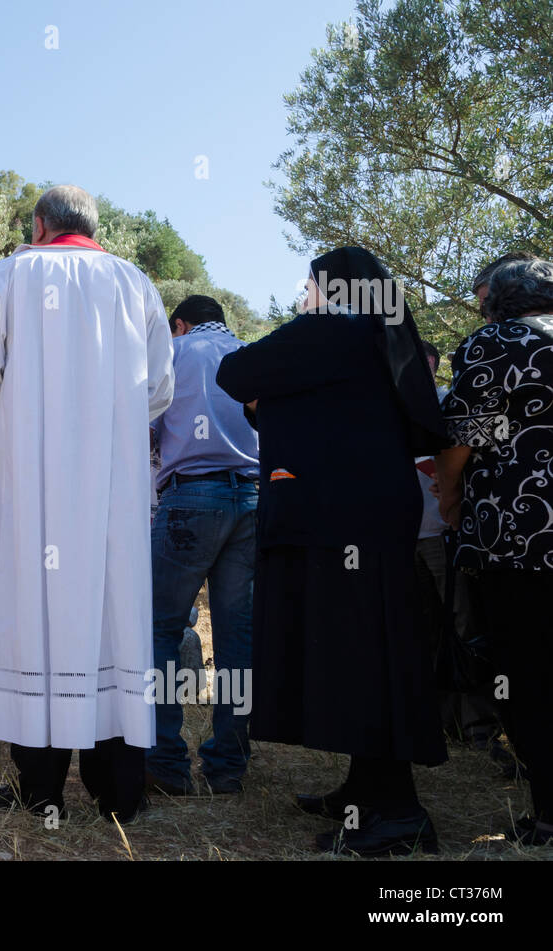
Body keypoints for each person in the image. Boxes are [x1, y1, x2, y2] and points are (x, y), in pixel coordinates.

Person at [0, 184, 174, 821]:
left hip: (35, 482)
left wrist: (12, 427)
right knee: (113, 619)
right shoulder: (135, 284)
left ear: (40, 224)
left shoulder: (9, 276)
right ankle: (120, 793)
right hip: (113, 485)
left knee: (36, 621)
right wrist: (116, 428)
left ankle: (40, 790)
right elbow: (159, 386)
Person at [217, 246, 448, 856]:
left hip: (345, 520)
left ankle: (398, 811)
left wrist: (273, 394)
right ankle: (366, 790)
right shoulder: (376, 331)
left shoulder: (337, 325)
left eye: (310, 286)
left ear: (332, 286)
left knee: (364, 658)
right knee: (366, 652)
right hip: (370, 511)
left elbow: (237, 372)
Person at [435, 257, 553, 847]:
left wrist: (450, 497)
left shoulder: (497, 342)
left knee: (525, 668)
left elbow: (463, 435)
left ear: (497, 301)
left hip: (519, 536)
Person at [147, 294, 259, 796]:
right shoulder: (251, 353)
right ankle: (228, 766)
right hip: (253, 497)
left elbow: (144, 427)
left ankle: (167, 761)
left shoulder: (172, 354)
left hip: (192, 495)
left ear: (180, 324)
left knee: (160, 628)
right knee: (238, 641)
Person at [412, 343, 511, 775]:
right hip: (401, 537)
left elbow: (458, 460)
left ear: (433, 368)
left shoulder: (446, 402)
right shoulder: (388, 408)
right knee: (422, 632)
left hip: (444, 534)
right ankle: (437, 723)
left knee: (465, 628)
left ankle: (480, 726)